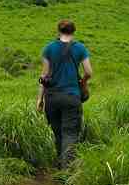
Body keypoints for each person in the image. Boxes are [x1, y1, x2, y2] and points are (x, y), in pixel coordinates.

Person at [36, 19, 93, 167]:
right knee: (70, 133)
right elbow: (88, 72)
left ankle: (60, 165)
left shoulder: (48, 49)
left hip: (52, 98)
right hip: (71, 96)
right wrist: (83, 82)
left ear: (58, 31)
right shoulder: (80, 48)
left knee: (58, 133)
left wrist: (40, 99)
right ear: (73, 32)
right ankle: (66, 171)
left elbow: (44, 76)